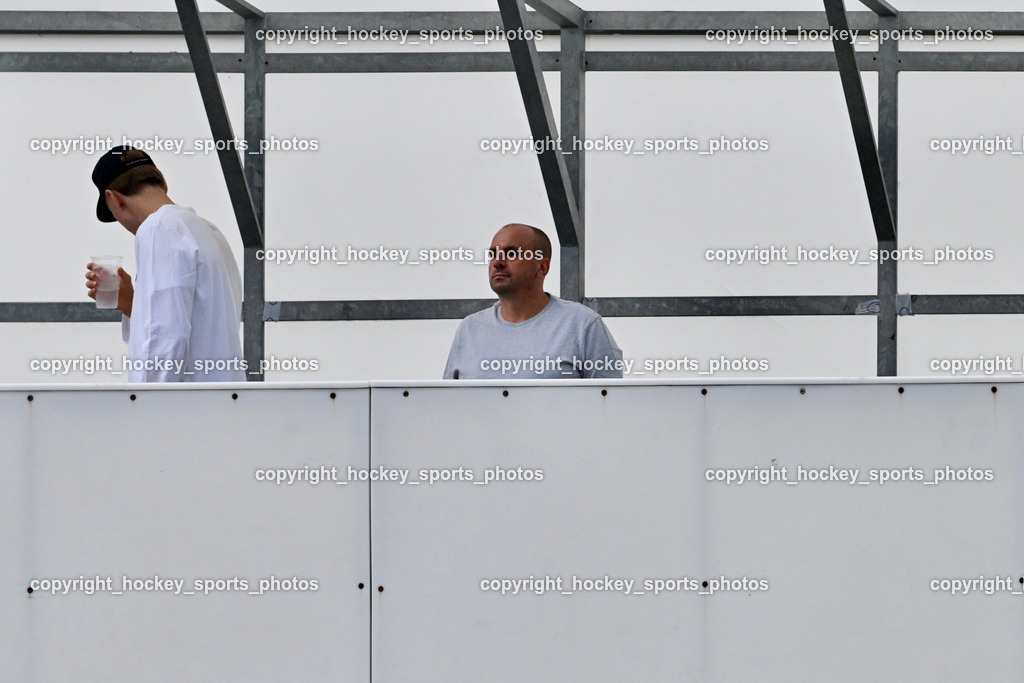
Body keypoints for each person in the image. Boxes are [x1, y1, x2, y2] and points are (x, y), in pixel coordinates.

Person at [85, 145, 245, 382]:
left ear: (114, 198)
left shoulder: (157, 228)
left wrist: (146, 407)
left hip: (181, 412)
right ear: (163, 184)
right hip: (222, 404)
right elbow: (201, 324)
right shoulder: (209, 231)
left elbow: (164, 341)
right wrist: (133, 305)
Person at [443, 223, 624, 379]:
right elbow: (449, 407)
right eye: (492, 254)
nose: (497, 262)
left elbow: (611, 405)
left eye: (511, 253)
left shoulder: (582, 325)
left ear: (542, 267)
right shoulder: (469, 329)